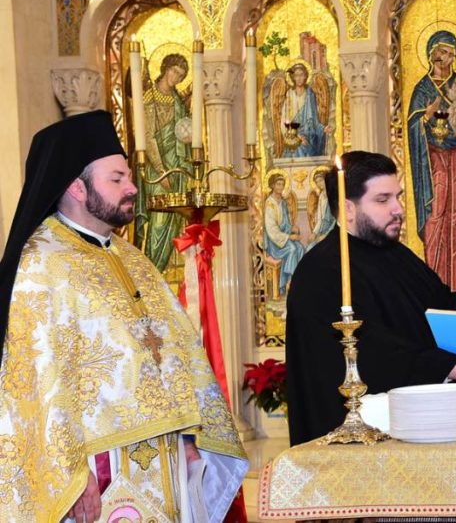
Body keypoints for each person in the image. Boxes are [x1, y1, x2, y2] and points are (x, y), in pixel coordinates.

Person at [0, 111, 247, 522]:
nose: (132, 188)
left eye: (128, 177)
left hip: (165, 457)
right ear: (76, 188)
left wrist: (189, 435)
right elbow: (37, 384)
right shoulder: (40, 267)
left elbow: (173, 353)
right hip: (102, 472)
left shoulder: (133, 260)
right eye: (116, 179)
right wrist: (72, 475)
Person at [285, 151, 456, 446]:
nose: (398, 209)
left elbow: (421, 310)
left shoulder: (394, 252)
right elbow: (367, 353)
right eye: (383, 200)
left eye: (397, 196)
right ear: (348, 209)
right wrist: (449, 366)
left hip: (413, 425)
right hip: (360, 438)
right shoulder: (322, 271)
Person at [407, 30, 456, 290]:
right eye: (443, 52)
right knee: (436, 212)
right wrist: (426, 117)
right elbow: (412, 125)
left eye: (452, 53)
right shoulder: (423, 88)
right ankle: (435, 284)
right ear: (432, 53)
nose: (448, 58)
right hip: (434, 162)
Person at [142, 53, 192, 272]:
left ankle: (169, 272)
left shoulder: (178, 100)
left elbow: (184, 131)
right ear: (165, 69)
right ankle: (153, 270)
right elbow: (148, 136)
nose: (176, 78)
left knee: (174, 219)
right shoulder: (149, 97)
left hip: (177, 167)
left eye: (180, 76)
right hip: (157, 171)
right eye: (174, 71)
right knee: (159, 222)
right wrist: (161, 171)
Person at [264, 170, 305, 297]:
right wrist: (289, 237)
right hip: (274, 242)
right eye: (278, 184)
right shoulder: (269, 204)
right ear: (272, 186)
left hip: (282, 238)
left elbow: (285, 223)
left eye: (282, 184)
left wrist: (293, 228)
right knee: (292, 249)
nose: (280, 187)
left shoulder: (282, 202)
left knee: (300, 248)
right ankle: (288, 282)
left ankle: (297, 281)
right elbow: (271, 230)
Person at [279, 63, 327, 158]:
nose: (299, 78)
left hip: (310, 134)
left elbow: (314, 120)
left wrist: (323, 128)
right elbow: (285, 121)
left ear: (305, 76)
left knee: (307, 143)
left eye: (301, 75)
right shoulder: (289, 95)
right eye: (296, 75)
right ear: (293, 77)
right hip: (293, 135)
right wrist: (297, 136)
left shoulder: (310, 94)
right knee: (298, 147)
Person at [306, 165, 336, 249]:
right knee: (309, 249)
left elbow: (337, 220)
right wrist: (314, 233)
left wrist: (326, 235)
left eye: (321, 180)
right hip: (322, 230)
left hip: (332, 232)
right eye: (317, 182)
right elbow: (320, 219)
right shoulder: (321, 196)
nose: (319, 184)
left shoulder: (333, 195)